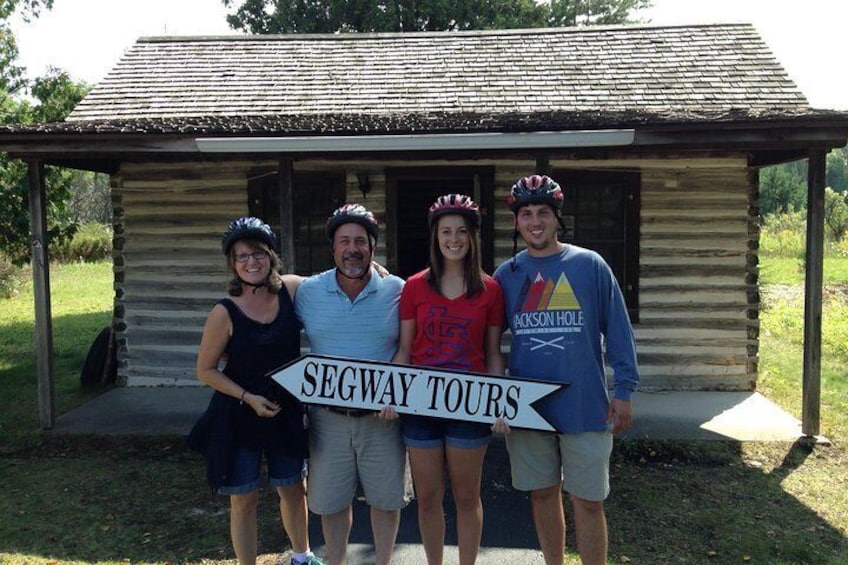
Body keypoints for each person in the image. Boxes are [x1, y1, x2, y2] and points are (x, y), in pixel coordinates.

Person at [493, 175, 640, 565]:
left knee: (588, 501)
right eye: (526, 213)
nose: (535, 221)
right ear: (517, 222)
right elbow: (481, 336)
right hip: (529, 410)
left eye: (543, 212)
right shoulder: (506, 276)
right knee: (542, 494)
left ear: (558, 218)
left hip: (586, 405)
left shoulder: (589, 265)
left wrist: (624, 390)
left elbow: (619, 329)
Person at [189, 216, 323, 565]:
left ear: (271, 257)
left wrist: (378, 270)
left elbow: (335, 282)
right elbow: (205, 370)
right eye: (242, 256)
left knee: (294, 488)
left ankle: (301, 556)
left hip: (285, 408)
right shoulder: (225, 311)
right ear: (233, 264)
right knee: (243, 497)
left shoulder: (291, 290)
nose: (252, 261)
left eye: (258, 253)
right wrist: (248, 398)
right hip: (239, 411)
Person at [391, 194, 505, 565]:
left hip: (469, 402)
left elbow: (491, 353)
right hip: (420, 402)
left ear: (472, 237)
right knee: (427, 498)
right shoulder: (414, 287)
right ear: (435, 237)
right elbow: (406, 349)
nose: (453, 239)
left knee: (467, 497)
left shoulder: (490, 290)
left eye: (461, 231)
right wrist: (392, 391)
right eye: (445, 232)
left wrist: (498, 399)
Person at [294, 203, 409, 565]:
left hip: (383, 418)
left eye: (361, 241)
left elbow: (409, 347)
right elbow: (268, 285)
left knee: (386, 501)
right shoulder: (308, 292)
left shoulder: (398, 290)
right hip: (327, 419)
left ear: (373, 248)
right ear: (333, 248)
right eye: (344, 241)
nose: (352, 248)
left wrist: (397, 391)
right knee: (331, 502)